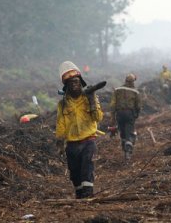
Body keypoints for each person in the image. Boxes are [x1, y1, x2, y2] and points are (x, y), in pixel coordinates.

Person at [55, 61, 103, 199]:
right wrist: (59, 142)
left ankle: (88, 194)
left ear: (81, 82)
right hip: (71, 144)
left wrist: (92, 100)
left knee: (87, 167)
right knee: (75, 172)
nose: (74, 84)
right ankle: (80, 194)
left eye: (76, 81)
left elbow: (98, 117)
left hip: (88, 140)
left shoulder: (90, 98)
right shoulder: (62, 104)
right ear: (66, 86)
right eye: (70, 82)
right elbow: (61, 124)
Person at [110, 74, 141, 161]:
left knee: (122, 131)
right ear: (133, 81)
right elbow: (138, 106)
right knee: (129, 132)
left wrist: (112, 116)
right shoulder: (135, 92)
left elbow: (112, 104)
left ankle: (124, 147)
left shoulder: (117, 90)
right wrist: (136, 115)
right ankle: (128, 150)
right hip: (129, 113)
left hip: (119, 114)